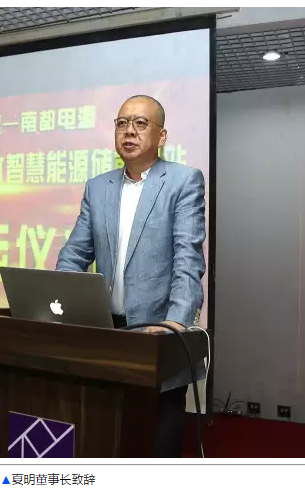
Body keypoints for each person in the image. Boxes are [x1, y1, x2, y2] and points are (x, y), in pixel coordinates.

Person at [56, 95, 206, 457]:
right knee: (108, 435)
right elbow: (75, 254)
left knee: (157, 441)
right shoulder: (98, 187)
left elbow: (188, 258)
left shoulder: (183, 181)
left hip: (157, 333)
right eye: (122, 123)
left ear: (161, 136)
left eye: (141, 123)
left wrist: (175, 323)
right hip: (107, 332)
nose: (129, 131)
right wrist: (57, 299)